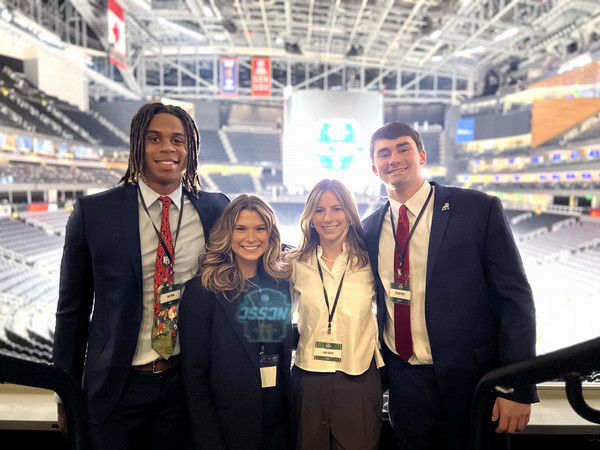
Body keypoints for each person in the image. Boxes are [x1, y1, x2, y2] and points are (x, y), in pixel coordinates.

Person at [52, 102, 229, 450]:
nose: (167, 148)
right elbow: (71, 313)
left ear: (190, 149)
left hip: (186, 386)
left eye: (178, 140)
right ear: (138, 146)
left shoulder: (215, 209)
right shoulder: (94, 213)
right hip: (117, 388)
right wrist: (63, 395)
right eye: (155, 138)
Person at [362, 121, 538, 449]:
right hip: (406, 386)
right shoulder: (369, 230)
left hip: (473, 383)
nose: (394, 158)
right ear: (375, 168)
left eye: (403, 148)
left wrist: (516, 385)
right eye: (384, 153)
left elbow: (515, 300)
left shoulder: (477, 209)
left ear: (422, 155)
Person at [179, 194, 294, 450]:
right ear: (227, 233)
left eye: (260, 228)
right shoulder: (203, 290)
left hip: (278, 419)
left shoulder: (279, 282)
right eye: (240, 228)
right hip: (230, 423)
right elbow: (195, 375)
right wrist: (209, 440)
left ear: (270, 234)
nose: (251, 238)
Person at [287, 179, 384, 450]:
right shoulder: (294, 263)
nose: (328, 218)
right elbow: (277, 317)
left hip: (359, 376)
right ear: (310, 217)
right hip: (309, 377)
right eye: (319, 210)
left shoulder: (370, 261)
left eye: (336, 209)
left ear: (349, 214)